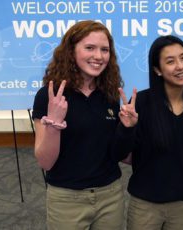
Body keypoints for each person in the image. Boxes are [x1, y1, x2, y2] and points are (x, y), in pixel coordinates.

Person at [32, 20, 130, 230]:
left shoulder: (110, 95)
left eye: (105, 50)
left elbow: (119, 153)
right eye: (89, 48)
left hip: (110, 195)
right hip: (67, 199)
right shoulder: (49, 96)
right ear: (71, 51)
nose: (99, 56)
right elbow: (45, 162)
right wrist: (55, 123)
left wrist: (129, 129)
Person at [115, 35, 183, 230]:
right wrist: (127, 128)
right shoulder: (142, 103)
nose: (180, 66)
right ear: (157, 70)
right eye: (170, 61)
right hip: (145, 204)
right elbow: (120, 153)